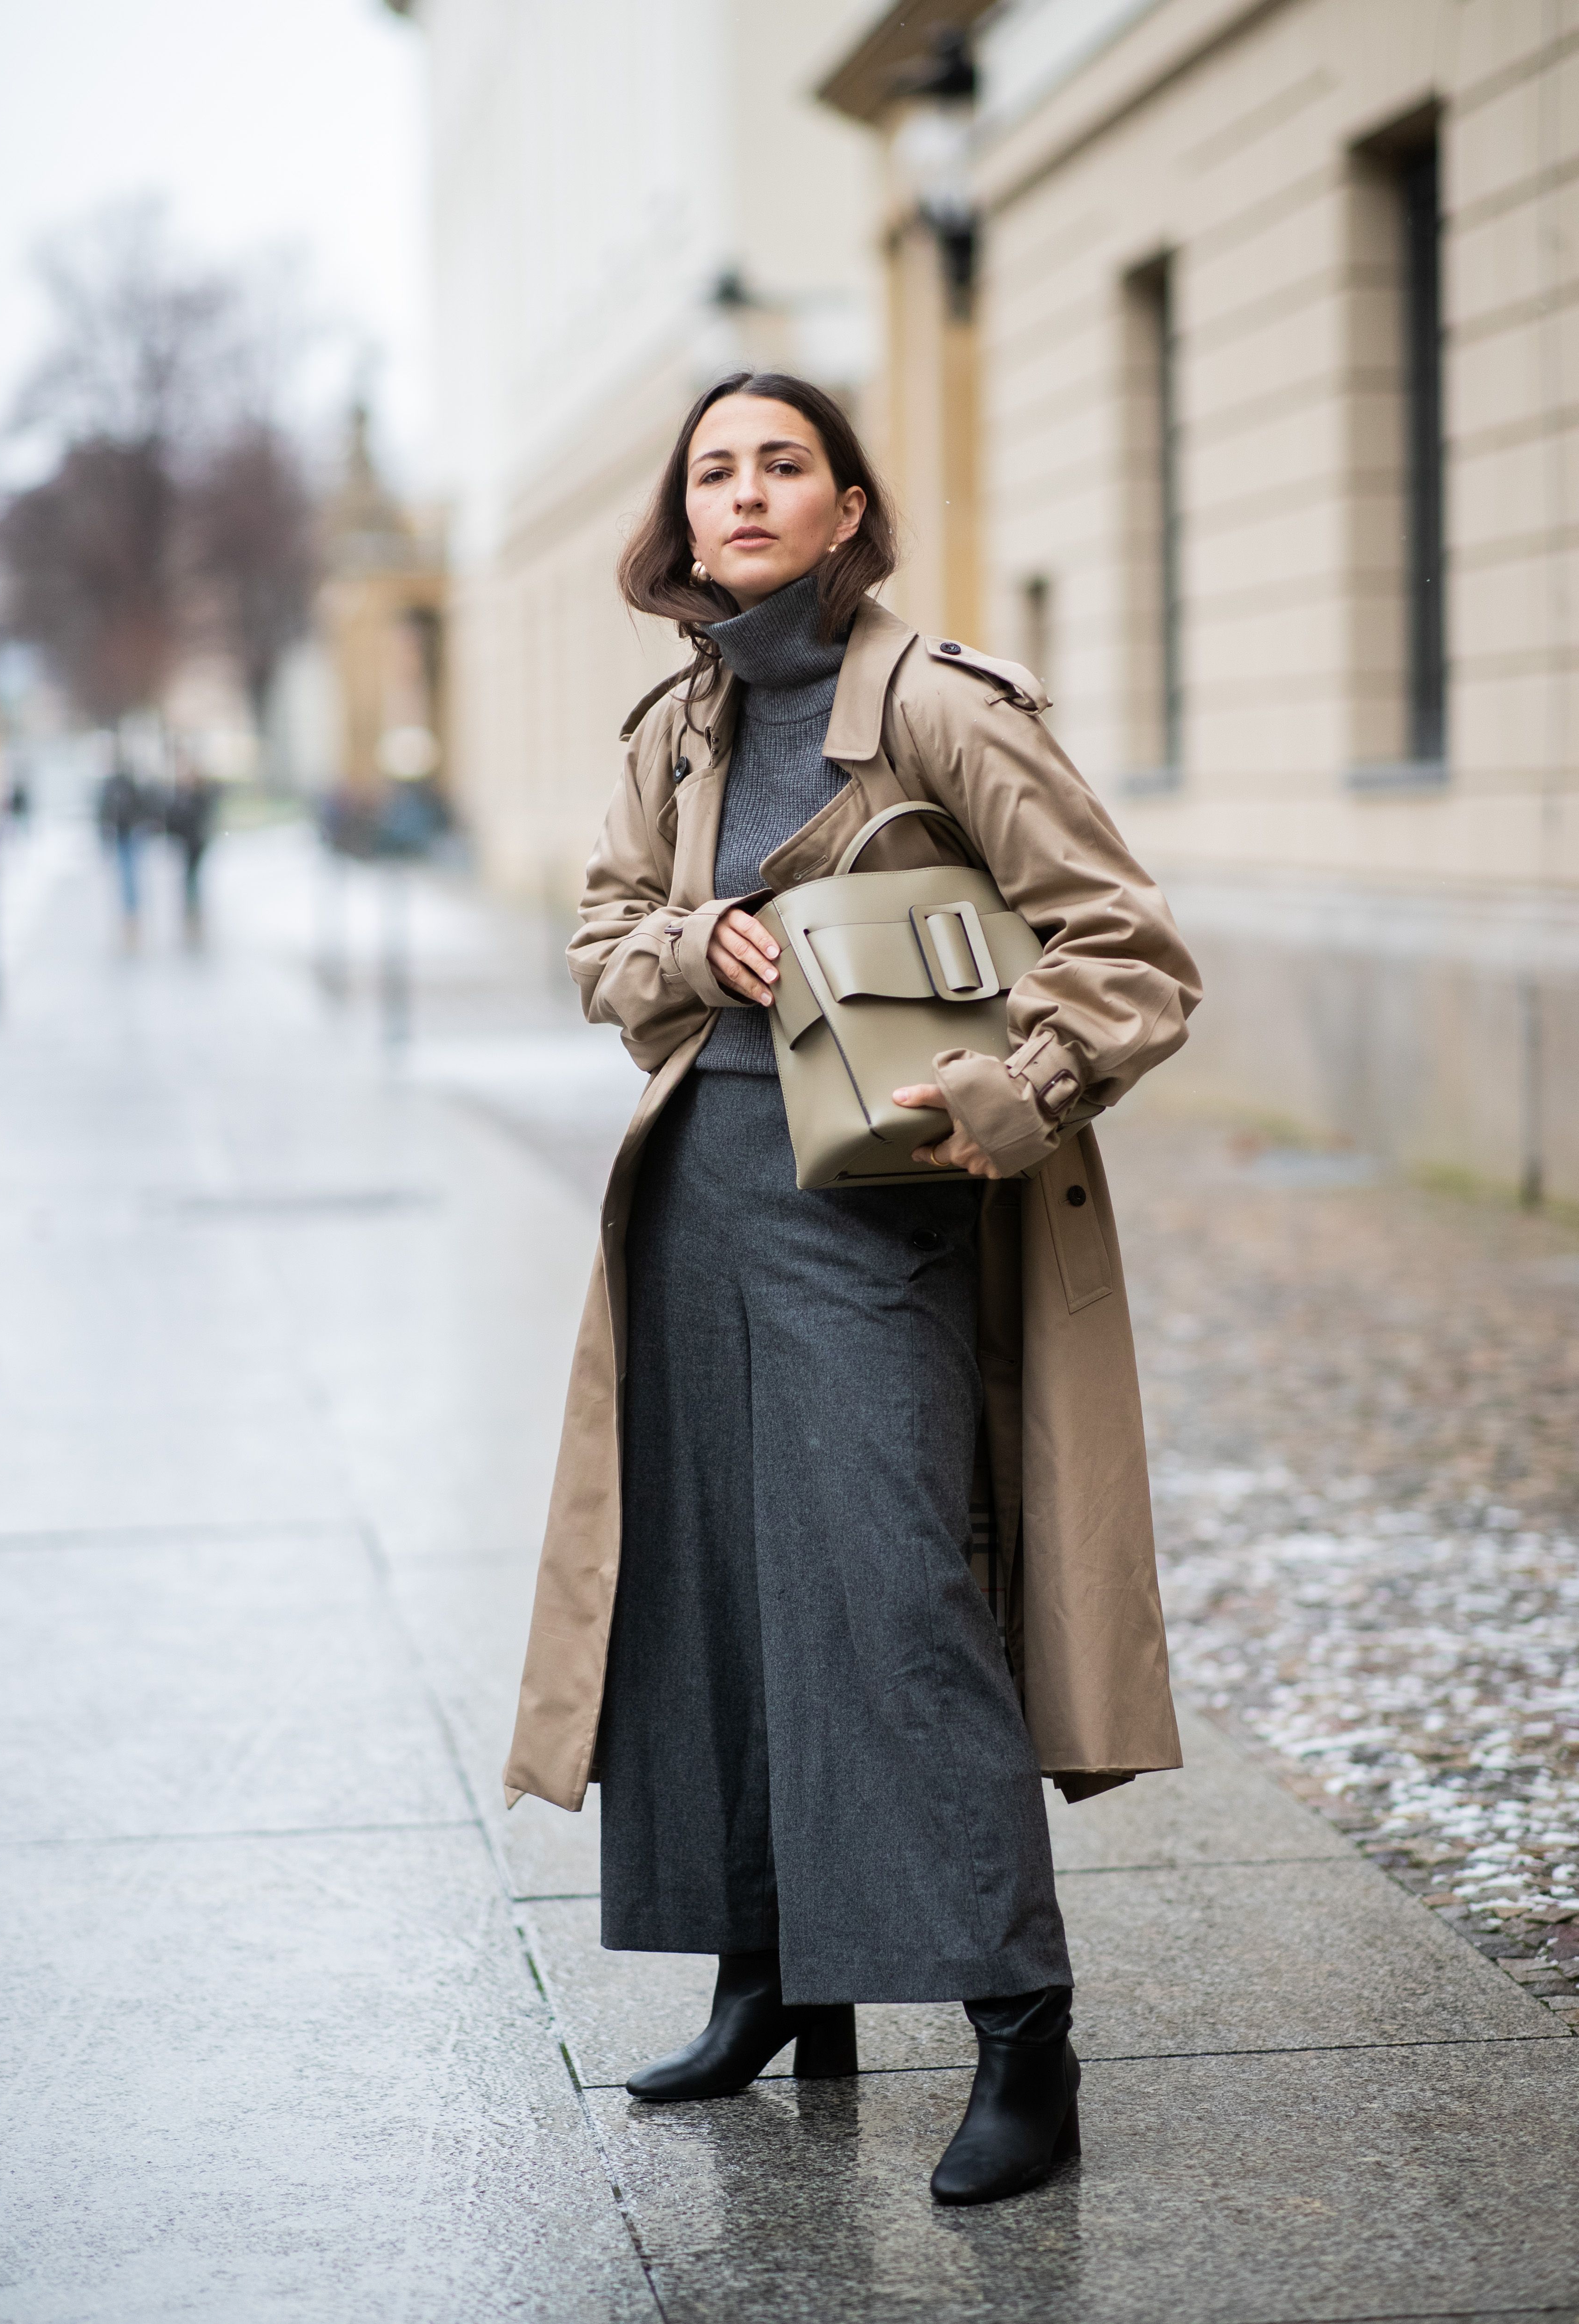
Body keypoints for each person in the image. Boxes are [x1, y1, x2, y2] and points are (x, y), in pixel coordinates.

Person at [502, 371, 1201, 2205]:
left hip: (876, 1215)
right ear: (684, 517)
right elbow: (596, 943)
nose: (743, 491)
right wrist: (685, 939)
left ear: (842, 507)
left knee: (894, 1606)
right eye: (713, 469)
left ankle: (1017, 2026)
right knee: (715, 1598)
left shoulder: (942, 707)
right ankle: (771, 1977)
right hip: (693, 1209)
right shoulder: (679, 722)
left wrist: (1012, 1088)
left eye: (779, 465)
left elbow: (1125, 951)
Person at [96, 756, 147, 942]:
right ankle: (130, 907)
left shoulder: (119, 787)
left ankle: (131, 907)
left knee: (129, 872)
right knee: (128, 872)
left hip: (127, 833)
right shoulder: (119, 787)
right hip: (123, 833)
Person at [163, 762, 217, 935]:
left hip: (196, 843)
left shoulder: (199, 797)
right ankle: (190, 907)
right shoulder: (180, 796)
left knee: (193, 877)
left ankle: (194, 908)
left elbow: (202, 818)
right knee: (188, 877)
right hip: (186, 842)